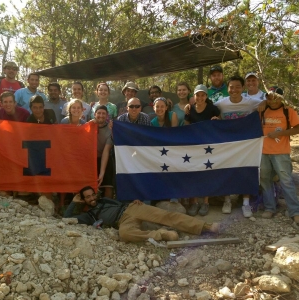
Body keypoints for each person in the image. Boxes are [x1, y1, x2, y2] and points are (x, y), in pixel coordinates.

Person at [64, 186, 220, 243]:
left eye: (92, 195)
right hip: (123, 222)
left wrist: (135, 201)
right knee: (124, 234)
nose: (91, 198)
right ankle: (162, 235)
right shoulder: (88, 215)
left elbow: (121, 203)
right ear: (83, 199)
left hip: (132, 208)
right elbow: (66, 218)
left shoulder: (104, 200)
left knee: (166, 215)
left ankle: (206, 226)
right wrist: (74, 202)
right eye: (87, 197)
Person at [215, 75, 263, 217]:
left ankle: (246, 203)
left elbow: (267, 101)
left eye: (237, 87)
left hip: (246, 145)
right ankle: (227, 200)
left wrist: (265, 103)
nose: (234, 90)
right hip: (227, 144)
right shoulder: (221, 104)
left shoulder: (251, 102)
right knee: (226, 170)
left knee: (246, 171)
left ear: (243, 88)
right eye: (231, 87)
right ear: (227, 88)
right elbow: (207, 108)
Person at [259, 91, 299, 224]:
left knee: (286, 181)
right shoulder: (262, 110)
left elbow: (297, 129)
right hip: (263, 151)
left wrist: (281, 134)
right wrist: (262, 102)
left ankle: (295, 211)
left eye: (276, 98)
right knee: (265, 179)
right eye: (269, 98)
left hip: (281, 152)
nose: (273, 101)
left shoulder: (288, 111)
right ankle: (269, 208)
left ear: (281, 98)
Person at [185, 85, 220, 216]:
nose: (200, 97)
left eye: (202, 95)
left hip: (208, 146)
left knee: (207, 173)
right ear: (194, 96)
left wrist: (217, 120)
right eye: (197, 95)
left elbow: (220, 120)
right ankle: (194, 202)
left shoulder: (212, 108)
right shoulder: (189, 110)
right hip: (193, 146)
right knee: (193, 172)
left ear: (206, 96)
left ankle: (205, 202)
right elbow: (186, 126)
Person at [92, 105, 114, 198]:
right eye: (99, 113)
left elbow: (106, 151)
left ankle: (108, 207)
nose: (101, 115)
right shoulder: (89, 125)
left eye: (103, 113)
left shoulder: (110, 129)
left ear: (107, 116)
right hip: (91, 159)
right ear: (94, 114)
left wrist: (102, 173)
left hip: (105, 158)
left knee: (108, 186)